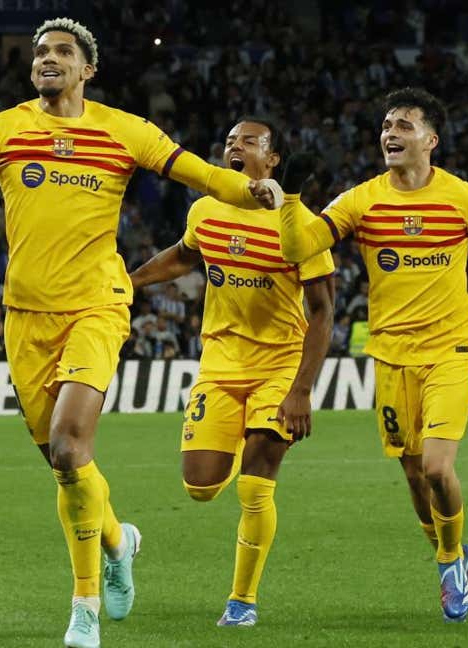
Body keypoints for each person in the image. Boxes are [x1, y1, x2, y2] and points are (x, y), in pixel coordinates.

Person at [0, 17, 282, 648]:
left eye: (63, 52)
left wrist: (252, 189)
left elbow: (198, 173)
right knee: (64, 465)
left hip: (96, 306)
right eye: (41, 52)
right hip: (26, 316)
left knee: (72, 447)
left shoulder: (124, 130)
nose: (48, 58)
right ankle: (117, 539)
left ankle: (84, 610)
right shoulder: (2, 129)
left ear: (87, 70)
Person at [277, 87, 468, 622]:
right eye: (386, 125)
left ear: (431, 140)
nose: (390, 134)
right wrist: (292, 201)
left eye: (403, 126)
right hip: (391, 355)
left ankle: (448, 563)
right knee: (415, 474)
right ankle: (452, 553)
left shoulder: (465, 198)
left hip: (451, 348)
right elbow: (298, 249)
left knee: (439, 469)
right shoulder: (361, 200)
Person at [130, 117, 335, 627]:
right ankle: (244, 441)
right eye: (228, 141)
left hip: (280, 367)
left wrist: (302, 391)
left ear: (273, 160)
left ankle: (242, 601)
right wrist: (129, 281)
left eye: (248, 141)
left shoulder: (302, 223)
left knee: (255, 484)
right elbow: (183, 256)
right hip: (220, 364)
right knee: (200, 486)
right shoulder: (206, 209)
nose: (233, 147)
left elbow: (324, 310)